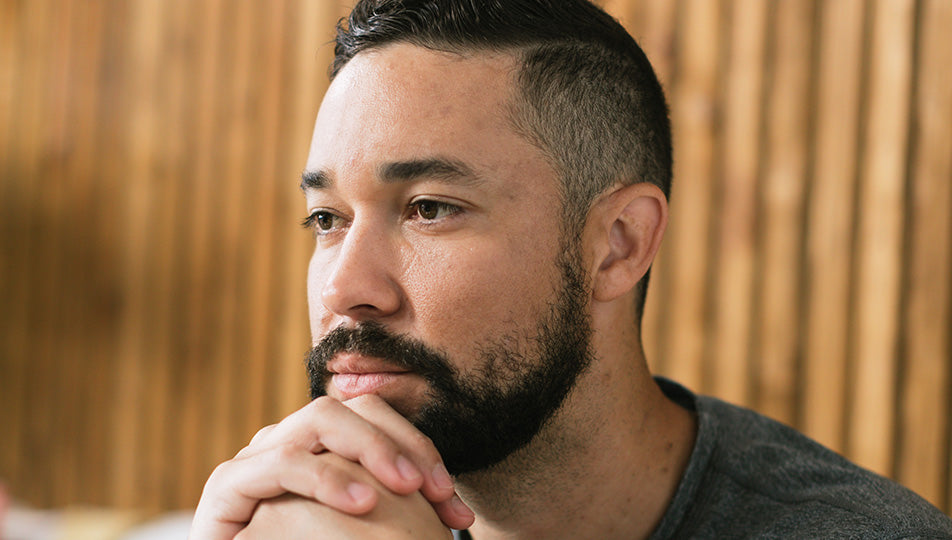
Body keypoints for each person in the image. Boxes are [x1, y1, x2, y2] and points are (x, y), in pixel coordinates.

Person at [189, 1, 952, 538]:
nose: (345, 289)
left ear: (617, 244)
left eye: (429, 208)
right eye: (328, 219)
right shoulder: (303, 515)